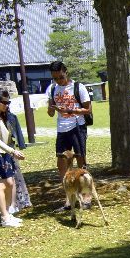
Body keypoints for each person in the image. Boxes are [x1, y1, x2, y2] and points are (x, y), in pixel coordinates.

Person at [45, 61, 92, 205]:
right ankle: (69, 199)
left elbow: (87, 109)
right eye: (55, 78)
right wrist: (51, 109)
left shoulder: (78, 87)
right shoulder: (52, 88)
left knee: (81, 161)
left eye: (61, 77)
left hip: (77, 126)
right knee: (62, 163)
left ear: (66, 72)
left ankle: (86, 197)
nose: (59, 80)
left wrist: (69, 111)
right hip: (62, 129)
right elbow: (51, 113)